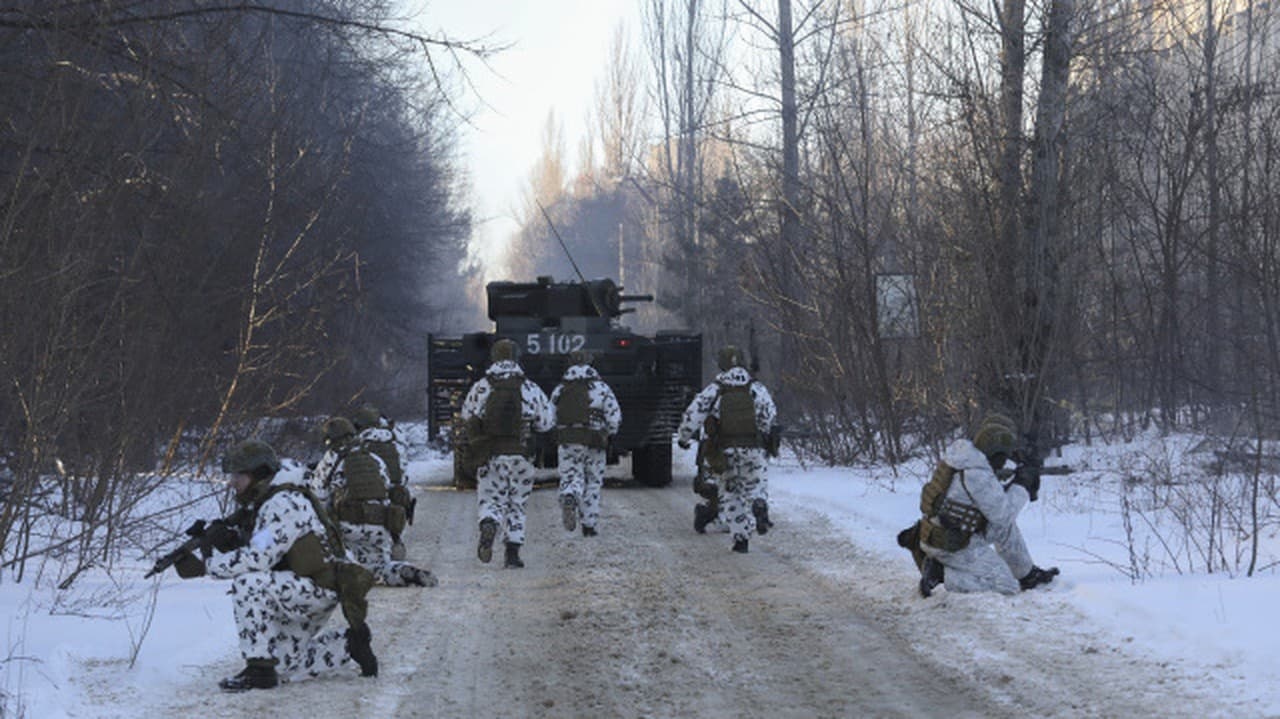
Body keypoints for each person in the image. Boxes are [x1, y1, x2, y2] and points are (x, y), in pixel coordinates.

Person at [184, 439, 378, 690]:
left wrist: (205, 566)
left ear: (259, 474)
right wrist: (230, 541)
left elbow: (260, 558)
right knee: (284, 667)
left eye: (238, 475)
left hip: (316, 587)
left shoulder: (283, 503)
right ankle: (349, 646)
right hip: (306, 586)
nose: (232, 482)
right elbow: (266, 546)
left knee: (248, 584)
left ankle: (258, 670)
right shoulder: (271, 499)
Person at [913, 415, 1059, 596]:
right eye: (1003, 456)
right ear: (995, 453)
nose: (1005, 461)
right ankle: (940, 573)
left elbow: (991, 506)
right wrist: (1022, 486)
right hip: (950, 545)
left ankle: (1027, 574)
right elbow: (1003, 514)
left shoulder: (962, 459)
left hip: (949, 531)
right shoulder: (976, 474)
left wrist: (1013, 482)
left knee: (1004, 528)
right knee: (1006, 586)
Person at [460, 338, 554, 568]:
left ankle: (490, 524)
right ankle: (512, 554)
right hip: (522, 456)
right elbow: (546, 422)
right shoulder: (529, 387)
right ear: (516, 358)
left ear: (494, 357)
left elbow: (466, 416)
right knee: (517, 503)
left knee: (491, 500)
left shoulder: (482, 386)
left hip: (491, 455)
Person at [676, 345, 778, 554]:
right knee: (755, 485)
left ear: (721, 364)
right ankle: (759, 503)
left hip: (725, 452)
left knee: (731, 495)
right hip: (754, 449)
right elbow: (770, 417)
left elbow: (693, 414)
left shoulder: (715, 389)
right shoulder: (756, 388)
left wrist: (683, 437)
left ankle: (741, 540)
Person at [316, 417, 436, 588]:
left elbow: (317, 496)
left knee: (338, 564)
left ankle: (349, 572)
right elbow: (388, 488)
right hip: (380, 527)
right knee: (380, 567)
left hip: (347, 530)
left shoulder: (331, 459)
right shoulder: (375, 459)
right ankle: (402, 571)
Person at [549, 349, 622, 536]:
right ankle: (589, 525)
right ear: (591, 364)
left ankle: (569, 495)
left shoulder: (561, 389)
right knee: (593, 481)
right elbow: (615, 417)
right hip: (594, 439)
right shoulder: (601, 388)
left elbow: (549, 417)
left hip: (568, 440)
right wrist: (608, 432)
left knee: (570, 475)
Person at [353, 404, 413, 561]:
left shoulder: (359, 442)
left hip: (370, 500)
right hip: (398, 498)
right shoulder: (396, 440)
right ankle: (395, 538)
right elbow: (403, 472)